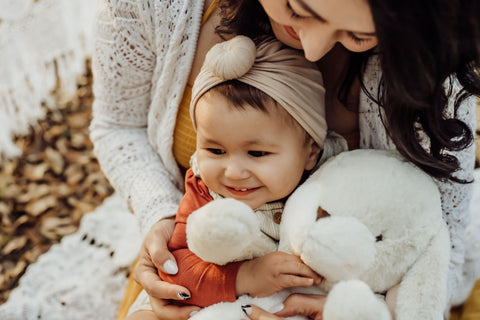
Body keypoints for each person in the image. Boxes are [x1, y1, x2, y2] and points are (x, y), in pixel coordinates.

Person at [90, 0, 480, 319]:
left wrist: (360, 310)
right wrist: (160, 215)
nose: (312, 48)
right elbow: (118, 127)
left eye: (359, 35)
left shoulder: (430, 60)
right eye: (297, 8)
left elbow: (434, 242)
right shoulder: (154, 8)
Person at [125, 34, 334, 318]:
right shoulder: (204, 193)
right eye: (215, 150)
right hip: (213, 300)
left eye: (257, 154)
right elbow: (175, 269)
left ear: (311, 151)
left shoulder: (328, 189)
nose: (234, 173)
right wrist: (244, 276)